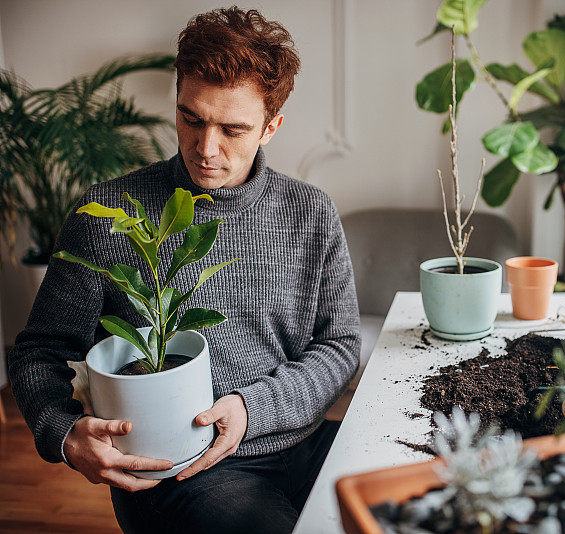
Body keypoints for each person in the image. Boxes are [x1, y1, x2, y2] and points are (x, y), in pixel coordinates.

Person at [7, 7, 360, 534]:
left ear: (271, 127)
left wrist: (251, 408)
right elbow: (40, 350)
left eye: (233, 129)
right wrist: (63, 431)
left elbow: (339, 345)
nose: (205, 148)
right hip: (179, 472)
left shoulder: (311, 211)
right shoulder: (110, 213)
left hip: (302, 442)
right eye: (191, 118)